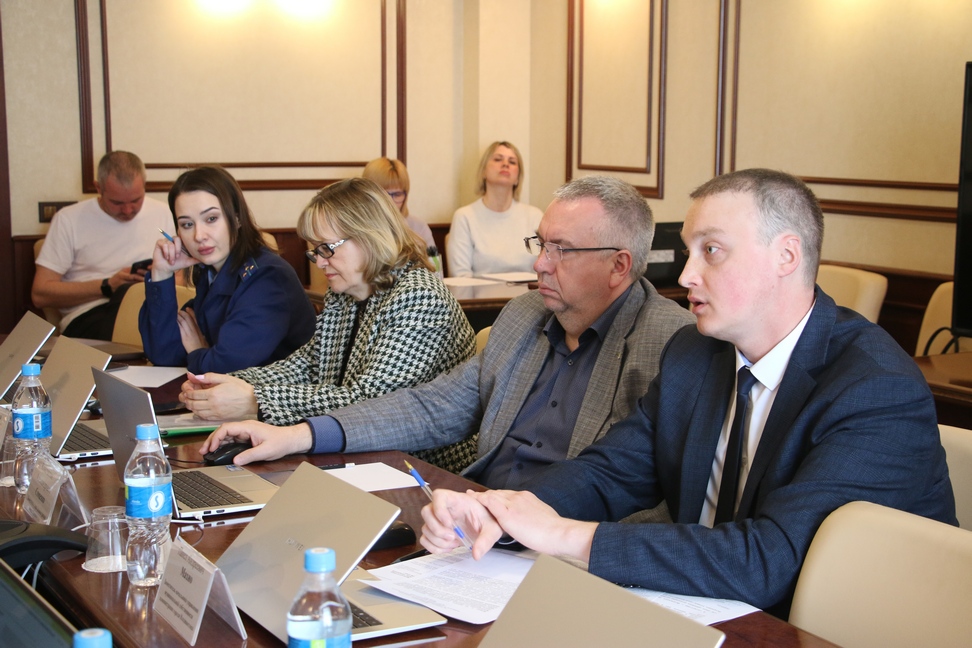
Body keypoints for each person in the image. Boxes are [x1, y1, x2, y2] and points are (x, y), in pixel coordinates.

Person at [419, 169, 957, 618]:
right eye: (688, 252)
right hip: (706, 611)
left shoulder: (874, 387)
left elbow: (769, 561)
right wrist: (500, 511)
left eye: (712, 251)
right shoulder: (696, 353)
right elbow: (611, 472)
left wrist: (564, 535)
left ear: (786, 256)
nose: (688, 274)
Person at [200, 176, 695, 486]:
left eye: (560, 250)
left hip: (558, 541)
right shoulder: (524, 316)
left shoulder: (668, 343)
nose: (539, 263)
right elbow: (432, 407)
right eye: (540, 244)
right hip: (471, 507)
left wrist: (261, 402)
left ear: (618, 266)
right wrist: (299, 436)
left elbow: (648, 493)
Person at [179, 177, 475, 426]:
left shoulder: (419, 297)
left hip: (422, 462)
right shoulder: (345, 293)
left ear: (369, 236)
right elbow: (306, 366)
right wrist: (219, 384)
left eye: (326, 249)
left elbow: (372, 403)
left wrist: (255, 400)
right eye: (315, 251)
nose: (320, 262)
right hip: (361, 447)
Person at [138, 165, 316, 374]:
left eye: (211, 219)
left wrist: (197, 351)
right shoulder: (210, 271)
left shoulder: (268, 278)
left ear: (237, 218)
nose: (199, 236)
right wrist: (161, 274)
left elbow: (226, 366)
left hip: (276, 394)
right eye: (187, 224)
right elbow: (164, 354)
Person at [32, 151, 174, 339]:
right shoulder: (68, 220)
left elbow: (181, 276)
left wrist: (154, 280)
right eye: (117, 202)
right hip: (91, 314)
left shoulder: (164, 213)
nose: (128, 210)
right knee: (134, 314)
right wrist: (107, 286)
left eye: (136, 200)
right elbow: (40, 294)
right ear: (98, 188)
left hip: (150, 306)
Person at [446, 141, 543, 277]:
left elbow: (545, 269)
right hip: (479, 291)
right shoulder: (464, 216)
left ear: (518, 178)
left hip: (529, 290)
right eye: (498, 159)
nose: (505, 164)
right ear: (483, 171)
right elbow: (460, 276)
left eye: (512, 162)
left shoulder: (535, 216)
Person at [362, 157, 436, 250]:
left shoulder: (419, 227)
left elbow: (432, 259)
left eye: (397, 194)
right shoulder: (357, 226)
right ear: (367, 193)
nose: (390, 202)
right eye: (383, 194)